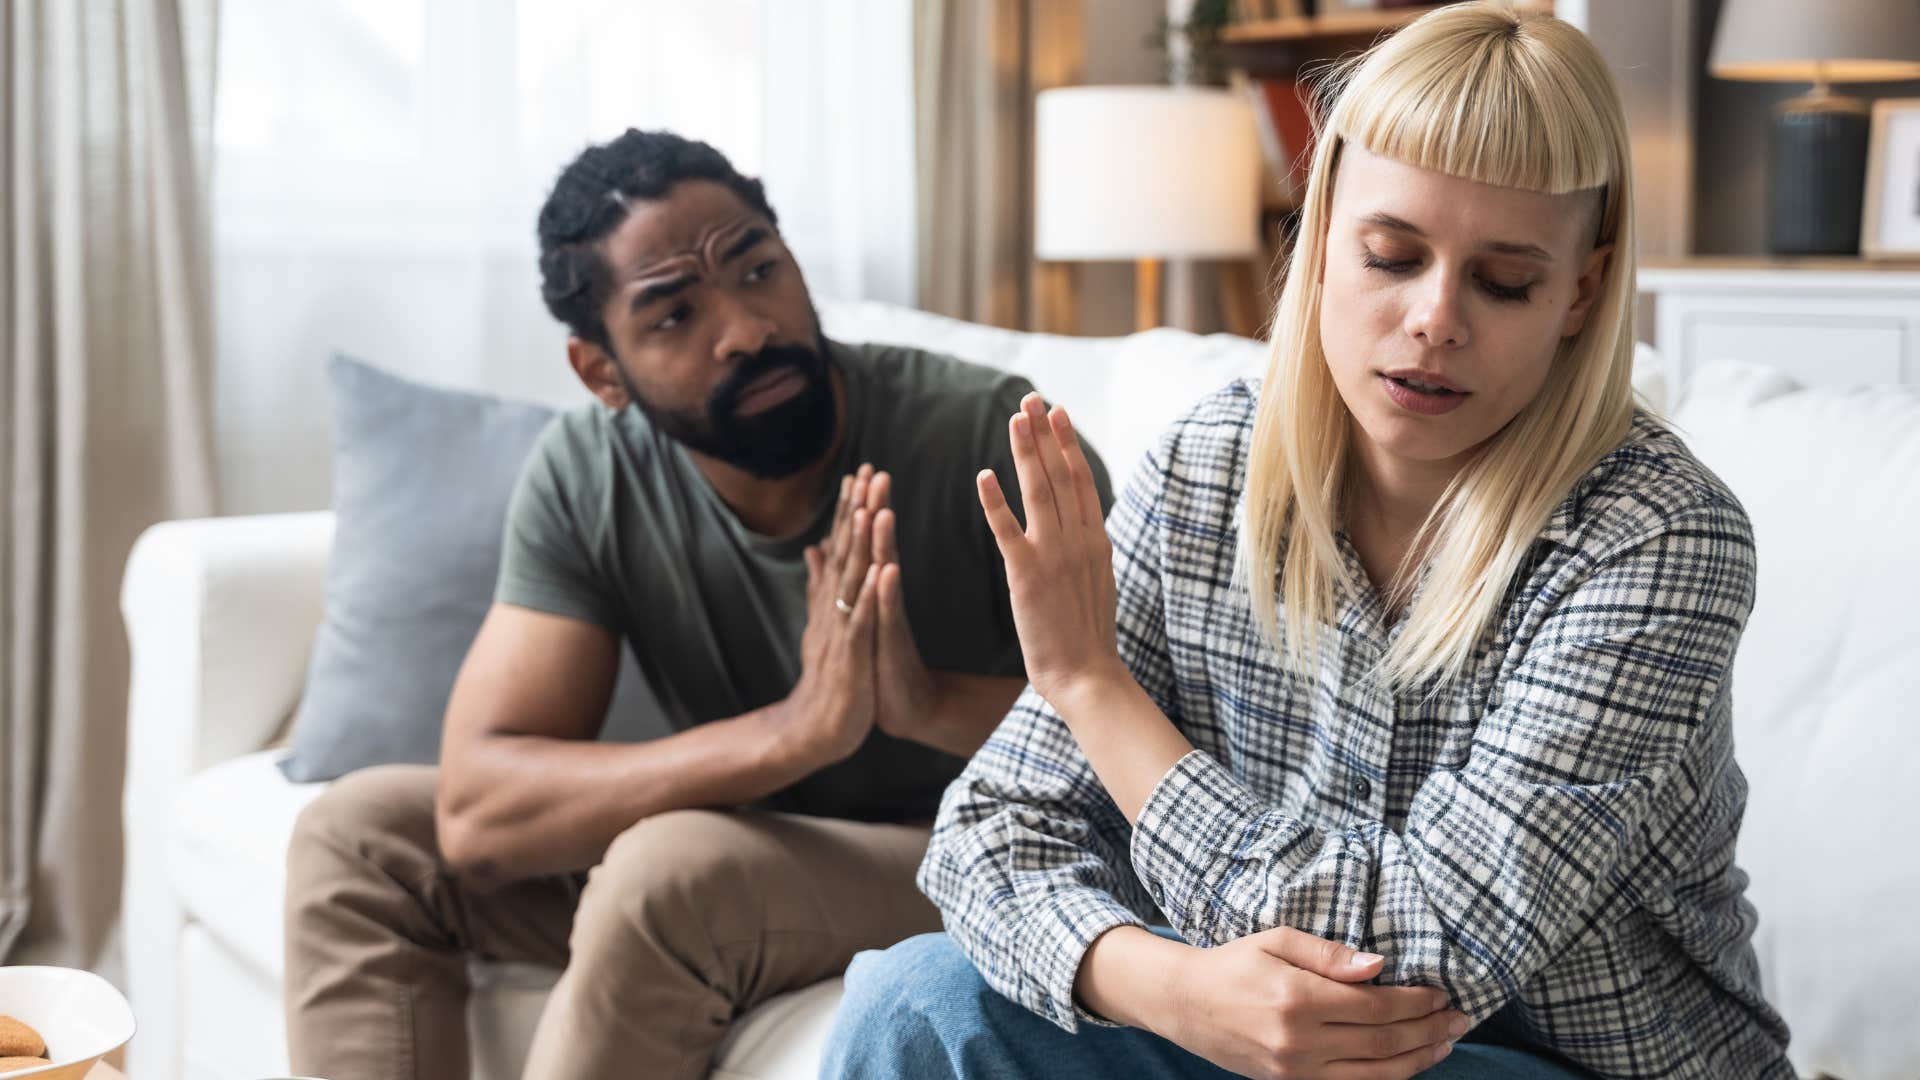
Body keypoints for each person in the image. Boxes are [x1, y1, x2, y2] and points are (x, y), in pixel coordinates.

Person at [823, 4, 1794, 1078]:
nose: (1435, 318)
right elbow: (991, 836)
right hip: (1255, 1042)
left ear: (1584, 291)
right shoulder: (1209, 468)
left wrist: (1097, 690)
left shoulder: (1658, 540)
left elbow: (1417, 954)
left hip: (1564, 1066)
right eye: (1392, 254)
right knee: (916, 999)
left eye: (1504, 280)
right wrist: (1169, 987)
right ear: (1321, 230)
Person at [281, 129, 1111, 1080]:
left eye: (759, 269)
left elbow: (1169, 735)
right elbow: (479, 809)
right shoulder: (592, 474)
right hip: (758, 842)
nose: (748, 328)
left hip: (978, 848)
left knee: (668, 871)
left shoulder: (992, 436)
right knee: (364, 839)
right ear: (601, 373)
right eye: (675, 316)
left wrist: (921, 704)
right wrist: (793, 733)